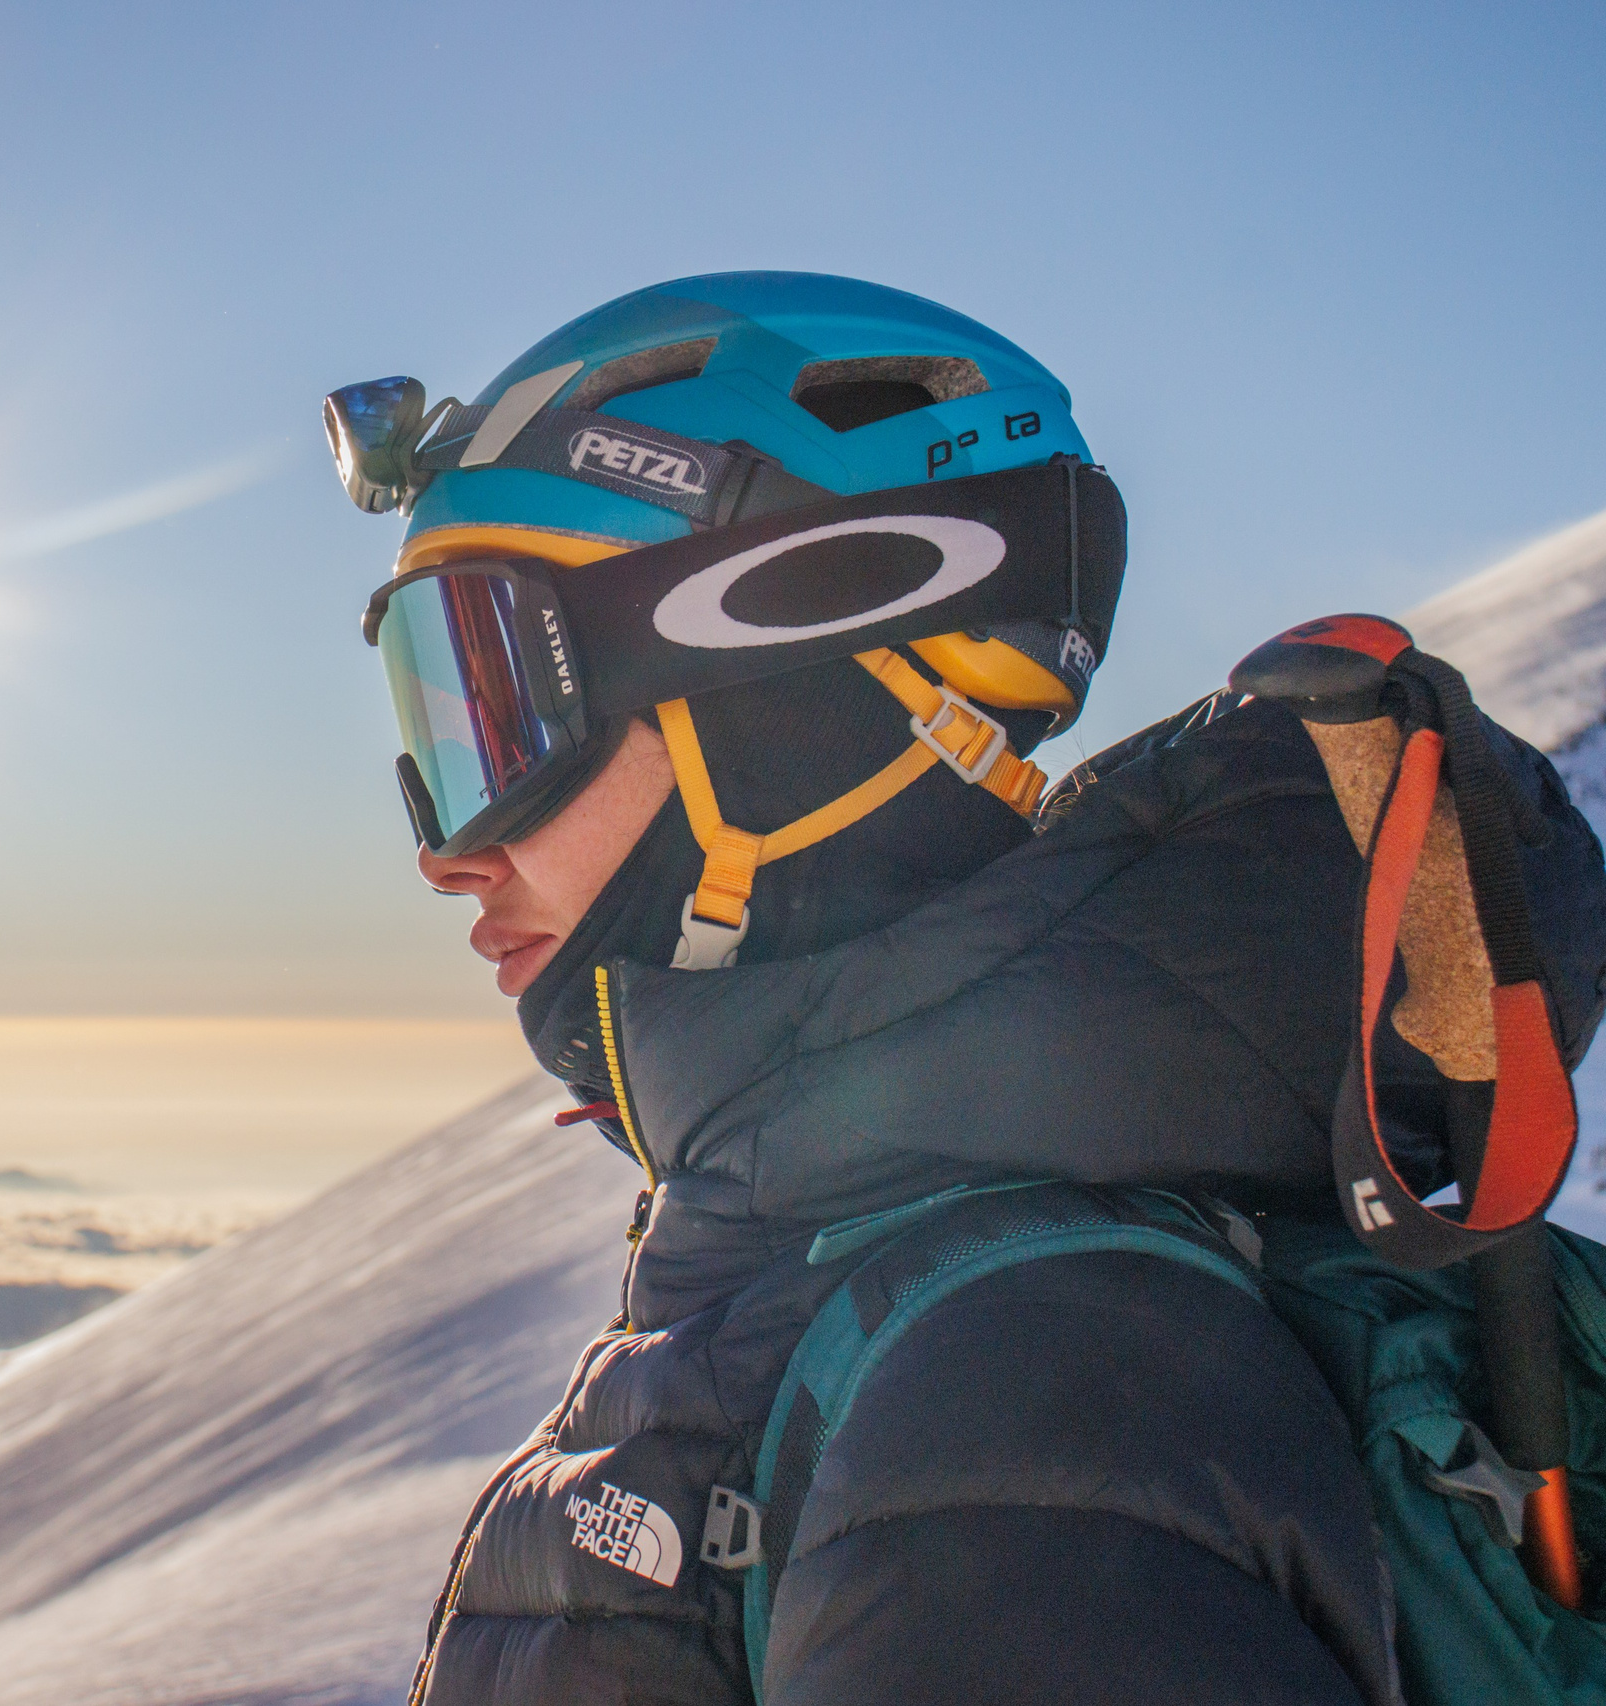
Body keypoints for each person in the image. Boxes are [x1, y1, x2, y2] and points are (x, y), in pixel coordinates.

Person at [320, 273, 1606, 1704]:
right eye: (438, 730)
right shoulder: (850, 1282)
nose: (455, 851)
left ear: (775, 696)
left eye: (502, 713)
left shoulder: (1025, 1407)